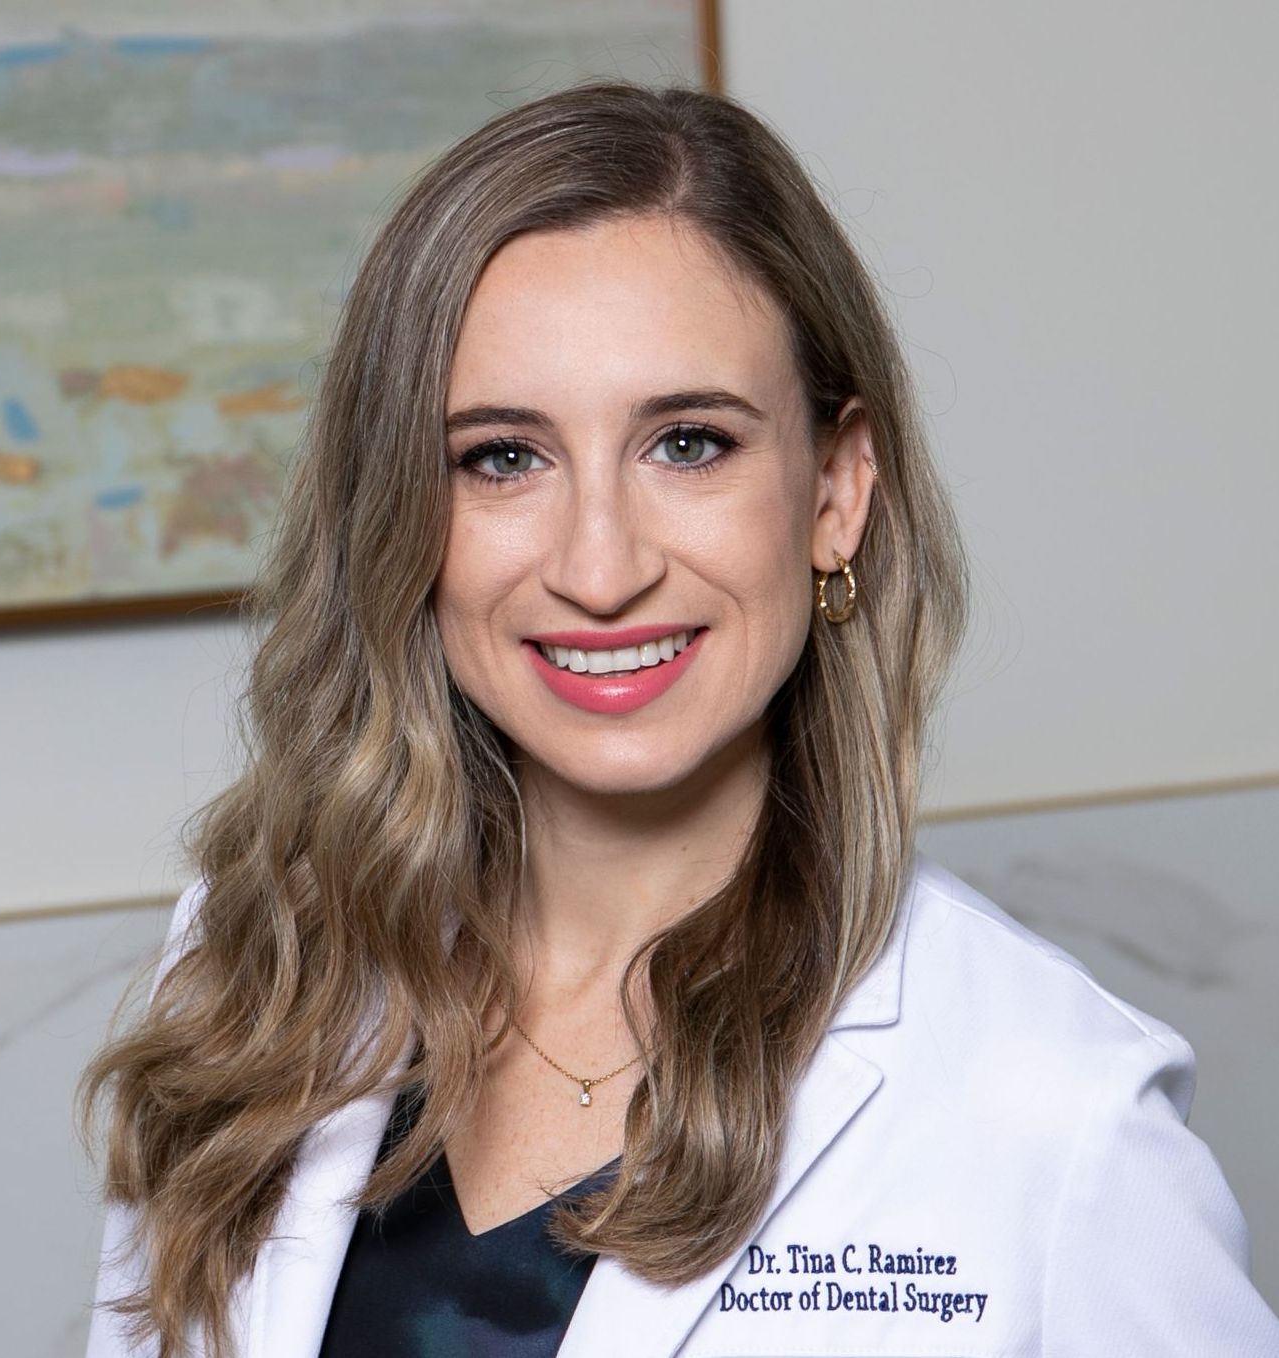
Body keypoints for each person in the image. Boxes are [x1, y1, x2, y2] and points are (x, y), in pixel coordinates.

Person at [80, 80, 1279, 1358]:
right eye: (501, 456)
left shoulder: (1060, 1113)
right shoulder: (254, 971)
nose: (599, 568)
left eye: (689, 444)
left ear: (834, 488)